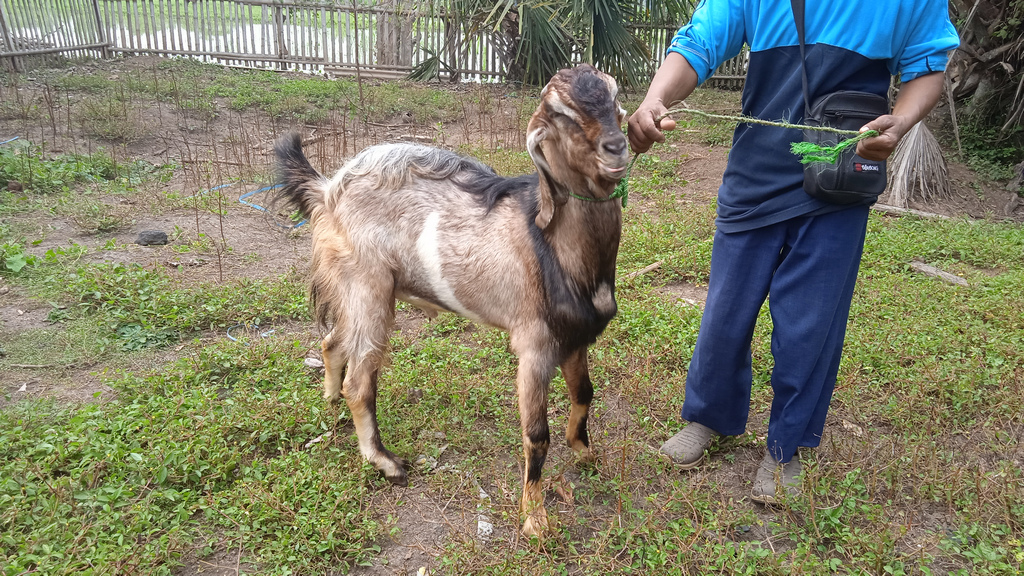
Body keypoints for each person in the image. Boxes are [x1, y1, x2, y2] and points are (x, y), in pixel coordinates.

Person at [627, 0, 959, 504]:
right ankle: (708, 416)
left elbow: (927, 67)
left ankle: (786, 447)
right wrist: (655, 98)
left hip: (840, 180)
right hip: (753, 174)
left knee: (810, 323)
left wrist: (903, 119)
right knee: (725, 311)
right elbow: (698, 43)